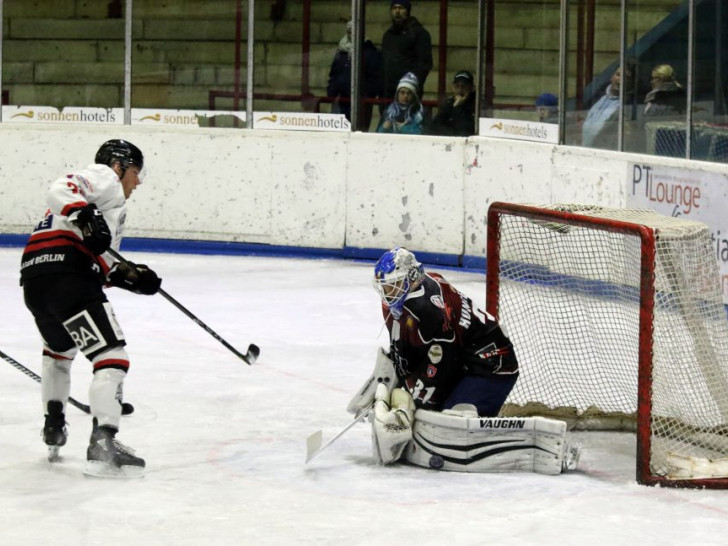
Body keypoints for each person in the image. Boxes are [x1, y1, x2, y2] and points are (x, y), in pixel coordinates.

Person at [20, 139, 161, 478]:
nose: (137, 182)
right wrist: (84, 213)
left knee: (58, 352)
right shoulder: (104, 178)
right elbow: (62, 187)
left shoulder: (105, 209)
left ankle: (53, 427)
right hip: (68, 276)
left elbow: (103, 258)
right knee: (112, 357)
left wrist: (132, 277)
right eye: (135, 172)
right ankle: (104, 443)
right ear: (118, 165)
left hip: (36, 280)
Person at [370, 247, 519, 416]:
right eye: (386, 288)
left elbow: (442, 363)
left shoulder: (428, 311)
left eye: (393, 286)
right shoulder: (417, 291)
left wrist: (413, 400)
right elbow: (414, 353)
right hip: (464, 356)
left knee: (451, 420)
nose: (388, 295)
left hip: (492, 365)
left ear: (411, 278)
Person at [326, 20, 382, 131]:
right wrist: (331, 92)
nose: (352, 34)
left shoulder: (369, 52)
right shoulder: (341, 52)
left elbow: (374, 79)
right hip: (341, 100)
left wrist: (365, 96)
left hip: (361, 104)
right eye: (350, 31)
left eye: (355, 31)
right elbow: (334, 74)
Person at [381, 1, 433, 109]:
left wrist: (410, 85)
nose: (397, 12)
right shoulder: (388, 35)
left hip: (407, 93)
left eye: (401, 8)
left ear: (408, 11)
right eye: (394, 8)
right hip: (387, 93)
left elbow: (424, 64)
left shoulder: (419, 34)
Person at [581, 64, 634, 149]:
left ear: (632, 83)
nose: (620, 80)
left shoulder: (628, 106)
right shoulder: (597, 96)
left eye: (626, 78)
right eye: (618, 75)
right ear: (611, 77)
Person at [428, 70, 476, 136]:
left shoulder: (476, 105)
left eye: (464, 86)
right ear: (453, 87)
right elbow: (434, 127)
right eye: (457, 86)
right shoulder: (449, 103)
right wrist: (451, 133)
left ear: (471, 88)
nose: (460, 90)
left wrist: (458, 107)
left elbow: (466, 131)